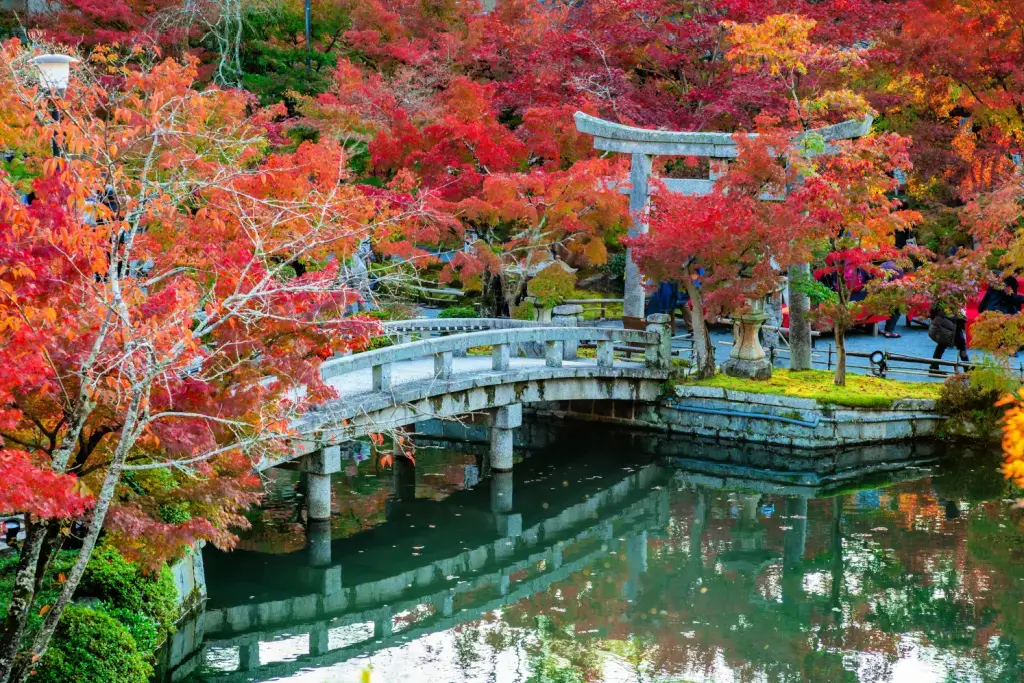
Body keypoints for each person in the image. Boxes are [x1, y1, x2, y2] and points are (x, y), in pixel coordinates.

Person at [929, 304, 968, 374]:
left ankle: (934, 366)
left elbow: (932, 312)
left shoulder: (941, 299)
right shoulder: (951, 299)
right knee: (961, 345)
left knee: (942, 345)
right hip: (950, 325)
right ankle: (967, 366)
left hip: (944, 324)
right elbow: (961, 317)